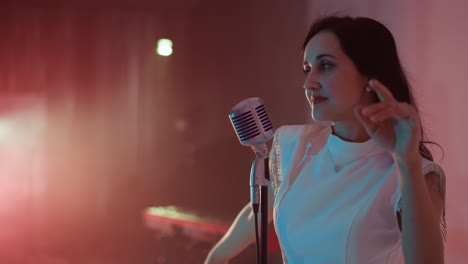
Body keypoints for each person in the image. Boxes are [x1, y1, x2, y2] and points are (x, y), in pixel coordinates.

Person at [204, 15, 446, 264]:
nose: (309, 84)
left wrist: (407, 162)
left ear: (369, 76)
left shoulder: (416, 174)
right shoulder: (291, 145)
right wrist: (216, 257)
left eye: (326, 66)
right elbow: (259, 207)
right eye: (307, 70)